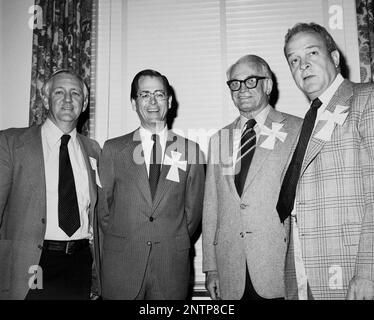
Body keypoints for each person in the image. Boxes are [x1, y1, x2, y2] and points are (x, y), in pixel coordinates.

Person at [277, 22, 374, 300]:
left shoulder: (366, 99)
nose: (302, 65)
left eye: (312, 54)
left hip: (349, 265)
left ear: (334, 58)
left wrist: (369, 271)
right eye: (294, 60)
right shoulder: (307, 120)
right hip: (302, 263)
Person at [98, 69, 205, 300]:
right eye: (144, 94)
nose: (153, 101)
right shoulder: (113, 150)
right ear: (134, 103)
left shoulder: (191, 151)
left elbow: (193, 212)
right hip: (122, 265)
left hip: (170, 266)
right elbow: (104, 211)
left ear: (170, 100)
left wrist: (167, 236)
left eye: (159, 94)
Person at [202, 55, 302, 300]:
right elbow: (211, 207)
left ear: (267, 85)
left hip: (277, 267)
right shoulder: (219, 139)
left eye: (250, 81)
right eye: (235, 83)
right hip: (230, 271)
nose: (242, 89)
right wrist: (211, 268)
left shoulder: (297, 130)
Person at [0, 70, 102, 300]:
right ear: (45, 99)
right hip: (32, 263)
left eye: (75, 93)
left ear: (84, 103)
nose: (68, 99)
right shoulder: (10, 143)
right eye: (59, 92)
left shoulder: (94, 150)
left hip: (79, 263)